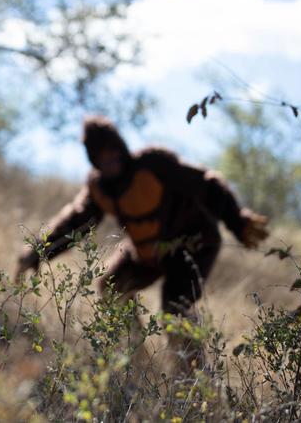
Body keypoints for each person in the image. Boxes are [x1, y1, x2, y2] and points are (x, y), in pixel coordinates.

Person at [17, 116, 268, 368]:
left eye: (112, 151)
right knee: (112, 287)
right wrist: (38, 251)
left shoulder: (153, 164)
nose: (109, 160)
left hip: (193, 245)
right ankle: (137, 361)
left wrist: (237, 221)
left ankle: (194, 379)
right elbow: (76, 222)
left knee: (175, 308)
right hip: (147, 253)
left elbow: (208, 184)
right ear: (93, 159)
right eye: (101, 156)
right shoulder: (99, 188)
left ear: (121, 148)